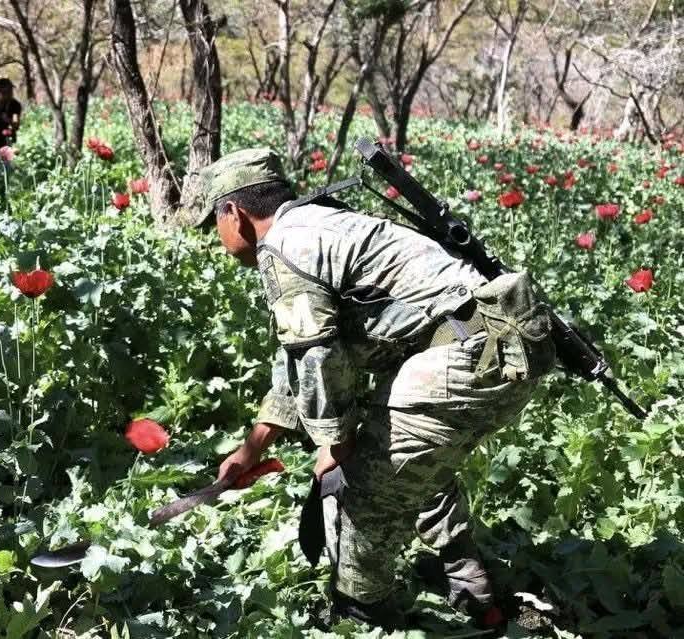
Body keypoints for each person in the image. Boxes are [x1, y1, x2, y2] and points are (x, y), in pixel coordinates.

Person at [204, 148, 556, 629]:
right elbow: (297, 361)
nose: (219, 239)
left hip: (464, 352)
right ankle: (469, 581)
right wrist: (253, 447)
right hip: (502, 343)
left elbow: (318, 357)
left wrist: (337, 443)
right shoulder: (318, 225)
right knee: (412, 455)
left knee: (362, 495)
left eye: (216, 224)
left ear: (235, 214)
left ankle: (362, 615)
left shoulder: (283, 249)